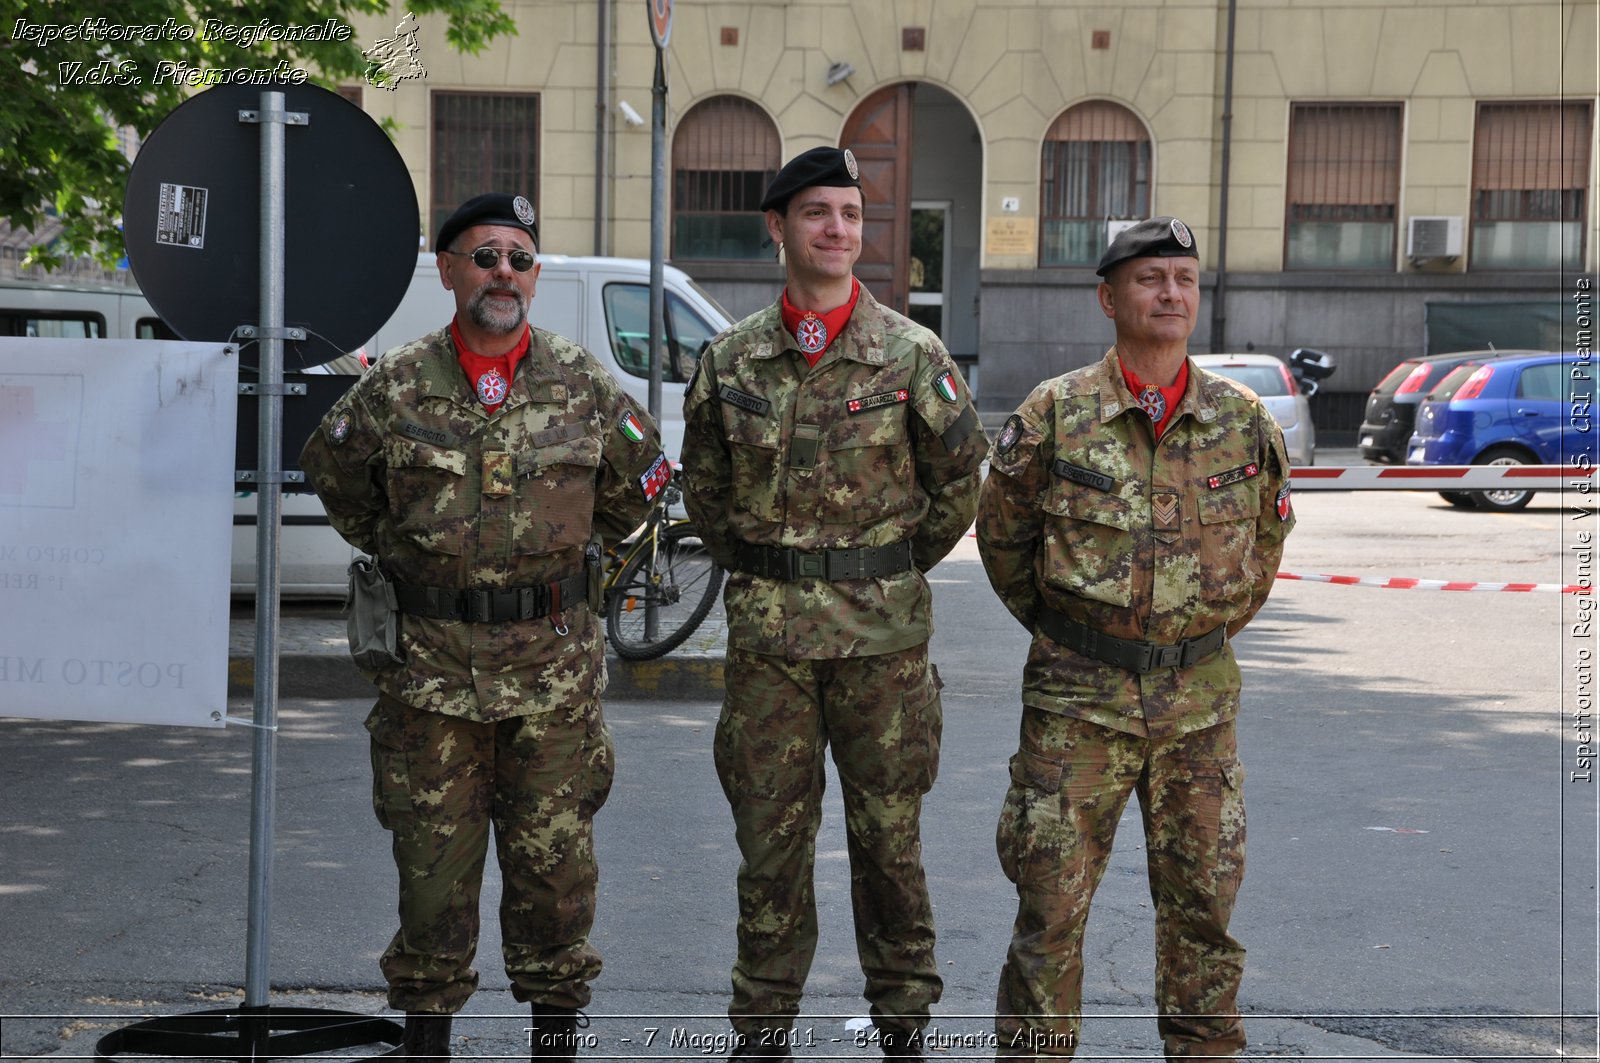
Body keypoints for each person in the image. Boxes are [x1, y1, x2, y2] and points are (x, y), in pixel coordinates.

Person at [299, 193, 669, 1062]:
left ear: (535, 278)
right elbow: (339, 480)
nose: (505, 272)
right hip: (430, 683)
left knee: (556, 880)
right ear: (447, 270)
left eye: (520, 259)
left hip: (555, 684)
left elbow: (638, 491)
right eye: (486, 255)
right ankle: (428, 1043)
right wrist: (420, 561)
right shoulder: (393, 386)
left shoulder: (583, 383)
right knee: (431, 885)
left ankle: (555, 1045)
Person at [679, 147, 987, 1061]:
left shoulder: (911, 353)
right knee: (769, 846)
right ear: (777, 228)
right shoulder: (731, 358)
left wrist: (881, 567)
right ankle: (763, 1025)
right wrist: (774, 569)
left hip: (881, 646)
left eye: (851, 215)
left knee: (889, 841)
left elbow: (958, 481)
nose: (838, 231)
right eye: (818, 213)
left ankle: (903, 1021)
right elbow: (708, 491)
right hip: (770, 646)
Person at [976, 217, 1295, 1060]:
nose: (1171, 294)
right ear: (1108, 296)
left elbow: (1262, 549)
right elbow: (1004, 545)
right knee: (1049, 913)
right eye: (1152, 278)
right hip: (1077, 707)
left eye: (1185, 279)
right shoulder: (1054, 414)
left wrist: (1190, 640)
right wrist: (1084, 639)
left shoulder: (1242, 420)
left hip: (1198, 710)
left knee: (1203, 917)